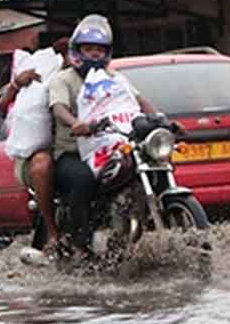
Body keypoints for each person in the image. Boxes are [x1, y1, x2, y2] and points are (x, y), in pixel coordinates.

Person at [47, 16, 154, 243]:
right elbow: (58, 108)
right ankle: (80, 244)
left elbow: (139, 101)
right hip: (73, 153)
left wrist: (159, 119)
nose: (95, 54)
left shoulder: (115, 78)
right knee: (83, 180)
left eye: (99, 49)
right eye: (88, 49)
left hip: (112, 146)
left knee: (148, 164)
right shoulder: (63, 80)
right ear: (77, 52)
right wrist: (75, 123)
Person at [0, 39, 70, 255]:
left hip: (74, 150)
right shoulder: (37, 78)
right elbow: (1, 110)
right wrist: (15, 85)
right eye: (68, 55)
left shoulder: (91, 79)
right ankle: (53, 230)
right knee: (41, 163)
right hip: (36, 157)